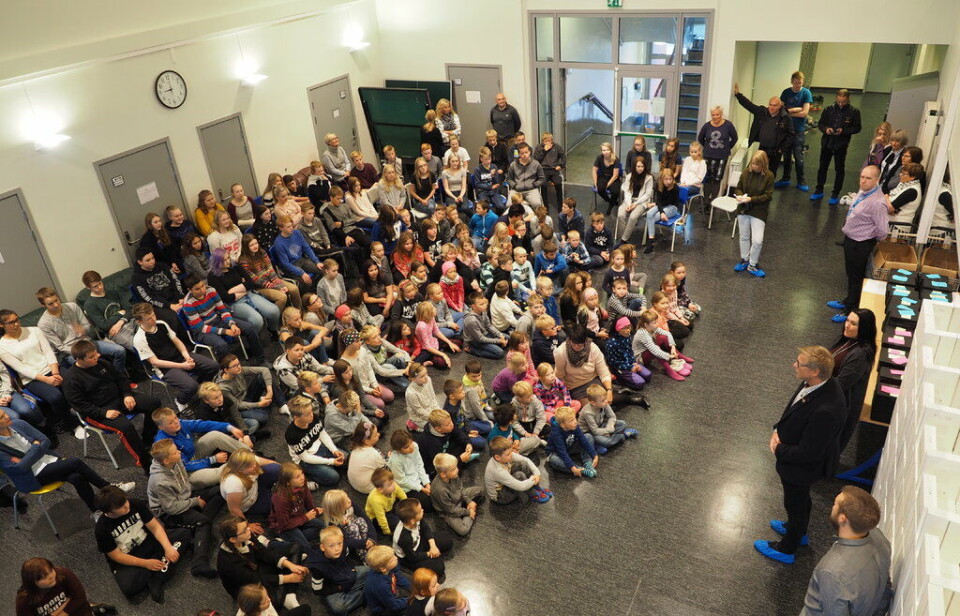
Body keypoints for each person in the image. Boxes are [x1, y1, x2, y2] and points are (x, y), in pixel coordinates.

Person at [755, 346, 846, 564]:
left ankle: (788, 547)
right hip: (797, 458)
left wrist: (778, 449)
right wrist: (779, 428)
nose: (794, 365)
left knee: (795, 503)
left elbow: (809, 452)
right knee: (800, 500)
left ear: (814, 371)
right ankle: (799, 530)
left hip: (802, 468)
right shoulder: (815, 384)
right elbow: (794, 408)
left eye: (799, 363)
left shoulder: (827, 410)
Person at [0, 408, 134, 513]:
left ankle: (97, 511)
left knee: (76, 476)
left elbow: (46, 441)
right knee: (75, 462)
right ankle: (109, 487)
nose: (7, 416)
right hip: (33, 476)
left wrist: (27, 458)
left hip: (50, 460)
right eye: (1, 417)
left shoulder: (18, 424)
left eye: (4, 413)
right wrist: (36, 446)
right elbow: (20, 469)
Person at [63, 339, 161, 474]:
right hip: (98, 412)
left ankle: (148, 439)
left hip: (120, 399)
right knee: (126, 427)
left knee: (154, 402)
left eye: (96, 353)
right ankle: (145, 463)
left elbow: (121, 379)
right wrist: (104, 413)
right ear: (79, 360)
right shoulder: (71, 380)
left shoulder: (102, 363)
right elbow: (80, 406)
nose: (97, 356)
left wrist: (127, 394)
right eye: (91, 357)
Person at [799, 486, 892, 615]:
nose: (832, 506)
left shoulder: (831, 573)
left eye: (835, 504)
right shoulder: (880, 539)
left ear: (843, 518)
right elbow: (885, 590)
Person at [94, 485, 190, 604]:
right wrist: (145, 563)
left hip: (151, 544)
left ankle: (157, 578)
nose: (126, 506)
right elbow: (116, 556)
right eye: (121, 507)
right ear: (108, 512)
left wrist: (167, 547)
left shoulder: (135, 504)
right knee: (128, 588)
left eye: (125, 501)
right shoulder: (101, 528)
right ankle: (161, 566)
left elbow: (155, 527)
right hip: (131, 558)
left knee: (184, 533)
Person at [146, 438, 220, 579]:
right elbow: (171, 508)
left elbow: (184, 483)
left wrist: (193, 500)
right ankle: (199, 564)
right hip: (169, 513)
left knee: (219, 491)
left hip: (185, 499)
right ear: (166, 461)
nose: (179, 451)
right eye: (175, 451)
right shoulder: (160, 481)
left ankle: (194, 529)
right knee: (203, 523)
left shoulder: (176, 460)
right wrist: (194, 502)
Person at [0, 310, 75, 433]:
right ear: (2, 325)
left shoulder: (34, 330)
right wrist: (46, 379)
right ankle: (71, 424)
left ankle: (84, 411)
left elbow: (48, 351)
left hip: (51, 368)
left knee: (74, 380)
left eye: (17, 320)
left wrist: (55, 373)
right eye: (11, 322)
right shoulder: (2, 346)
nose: (16, 324)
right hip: (32, 379)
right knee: (55, 396)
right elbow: (20, 368)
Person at [826, 166, 888, 316]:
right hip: (850, 239)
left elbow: (883, 231)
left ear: (877, 180)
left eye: (868, 178)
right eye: (862, 177)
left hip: (861, 243)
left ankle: (851, 310)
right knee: (850, 273)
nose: (863, 181)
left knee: (856, 277)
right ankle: (848, 300)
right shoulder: (864, 191)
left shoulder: (877, 202)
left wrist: (868, 239)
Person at [132, 302, 219, 407]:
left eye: (153, 315)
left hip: (180, 357)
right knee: (191, 386)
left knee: (214, 366)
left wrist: (187, 356)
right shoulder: (139, 339)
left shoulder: (162, 324)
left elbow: (177, 341)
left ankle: (202, 387)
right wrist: (182, 366)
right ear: (139, 321)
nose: (154, 319)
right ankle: (180, 401)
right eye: (149, 319)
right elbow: (155, 362)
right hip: (165, 368)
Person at [151, 406, 257, 489]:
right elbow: (185, 466)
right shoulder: (165, 444)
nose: (176, 422)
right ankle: (247, 466)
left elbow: (204, 425)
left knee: (214, 435)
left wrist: (229, 427)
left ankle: (251, 455)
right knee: (220, 473)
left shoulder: (180, 423)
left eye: (175, 417)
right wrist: (212, 459)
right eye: (171, 422)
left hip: (192, 455)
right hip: (185, 473)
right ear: (161, 427)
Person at [216, 516, 307, 609]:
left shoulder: (247, 535)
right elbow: (254, 579)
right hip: (248, 587)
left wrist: (290, 565)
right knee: (273, 600)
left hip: (258, 566)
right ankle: (289, 590)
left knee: (296, 548)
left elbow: (263, 552)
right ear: (233, 539)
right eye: (244, 530)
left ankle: (289, 593)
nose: (249, 530)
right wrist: (288, 578)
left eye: (247, 526)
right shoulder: (228, 562)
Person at [36, 288, 127, 373]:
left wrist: (83, 329)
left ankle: (118, 377)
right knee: (92, 364)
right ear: (43, 305)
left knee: (120, 351)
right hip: (71, 352)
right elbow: (60, 347)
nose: (56, 305)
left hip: (88, 343)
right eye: (50, 303)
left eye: (56, 300)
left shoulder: (72, 306)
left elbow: (87, 326)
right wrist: (82, 352)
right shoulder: (44, 324)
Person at [554, 324, 644, 408]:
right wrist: (563, 394)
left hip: (592, 380)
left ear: (585, 341)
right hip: (575, 386)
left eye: (580, 344)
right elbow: (559, 375)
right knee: (591, 407)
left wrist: (609, 390)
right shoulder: (561, 352)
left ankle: (629, 399)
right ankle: (621, 393)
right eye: (574, 344)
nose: (576, 347)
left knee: (603, 401)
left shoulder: (593, 348)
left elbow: (603, 371)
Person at [181, 274, 265, 362]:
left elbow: (223, 310)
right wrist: (225, 331)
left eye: (202, 285)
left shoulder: (211, 290)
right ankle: (226, 368)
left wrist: (231, 324)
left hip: (217, 319)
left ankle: (261, 359)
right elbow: (201, 327)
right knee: (221, 345)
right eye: (197, 289)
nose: (202, 290)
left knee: (249, 327)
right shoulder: (188, 304)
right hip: (201, 330)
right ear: (190, 290)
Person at [827, 309, 878, 453]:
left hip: (837, 406)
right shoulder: (848, 340)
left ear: (863, 329)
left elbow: (842, 384)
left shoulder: (860, 354)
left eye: (853, 323)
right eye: (847, 321)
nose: (847, 325)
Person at [16, 557, 117, 616]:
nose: (51, 577)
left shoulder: (63, 574)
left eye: (51, 571)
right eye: (44, 577)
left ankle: (93, 610)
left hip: (77, 611)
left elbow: (80, 598)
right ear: (33, 582)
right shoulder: (24, 601)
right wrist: (66, 603)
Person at [811, 89, 862, 204]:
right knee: (822, 167)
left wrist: (843, 131)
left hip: (841, 145)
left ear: (848, 99)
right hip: (827, 143)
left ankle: (835, 193)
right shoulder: (828, 109)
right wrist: (826, 129)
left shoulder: (854, 112)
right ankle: (819, 190)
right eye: (839, 102)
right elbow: (821, 124)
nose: (841, 104)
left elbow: (857, 128)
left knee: (839, 169)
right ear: (836, 98)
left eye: (843, 102)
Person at [306, 526, 370, 616]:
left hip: (348, 574)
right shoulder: (318, 567)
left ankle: (359, 590)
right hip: (335, 587)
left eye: (340, 543)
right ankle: (367, 592)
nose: (337, 549)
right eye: (331, 546)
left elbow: (348, 560)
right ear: (323, 547)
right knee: (338, 608)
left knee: (372, 570)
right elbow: (317, 590)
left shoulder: (343, 549)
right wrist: (339, 588)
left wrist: (351, 568)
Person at [733, 82, 794, 176]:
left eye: (775, 105)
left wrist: (782, 149)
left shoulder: (786, 118)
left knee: (771, 173)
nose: (772, 107)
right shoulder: (762, 112)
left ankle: (767, 190)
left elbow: (791, 135)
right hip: (762, 148)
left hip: (776, 150)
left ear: (780, 106)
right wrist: (738, 94)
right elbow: (749, 105)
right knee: (755, 170)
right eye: (770, 105)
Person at [285, 394, 344, 488]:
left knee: (346, 459)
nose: (312, 415)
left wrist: (334, 450)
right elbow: (305, 458)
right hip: (306, 459)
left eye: (311, 411)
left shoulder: (313, 417)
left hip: (320, 447)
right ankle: (309, 475)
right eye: (307, 414)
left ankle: (326, 467)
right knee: (334, 478)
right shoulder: (292, 435)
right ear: (296, 417)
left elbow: (322, 433)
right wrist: (331, 462)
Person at [733, 150, 775, 278]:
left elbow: (768, 196)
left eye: (757, 165)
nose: (754, 167)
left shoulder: (769, 176)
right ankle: (745, 259)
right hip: (744, 208)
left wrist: (751, 199)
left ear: (763, 164)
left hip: (759, 210)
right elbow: (738, 187)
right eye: (753, 164)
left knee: (757, 240)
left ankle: (753, 264)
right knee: (744, 237)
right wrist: (740, 196)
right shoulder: (746, 172)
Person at [131, 247, 188, 338]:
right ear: (140, 262)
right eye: (148, 260)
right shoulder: (137, 278)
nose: (152, 261)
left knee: (192, 304)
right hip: (158, 306)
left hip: (175, 298)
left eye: (153, 258)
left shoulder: (162, 266)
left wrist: (180, 297)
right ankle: (186, 343)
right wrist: (170, 306)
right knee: (174, 318)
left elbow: (175, 281)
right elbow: (149, 299)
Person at [269, 462, 326, 553]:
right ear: (288, 483)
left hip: (298, 518)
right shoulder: (280, 499)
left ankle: (294, 540)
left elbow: (308, 499)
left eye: (302, 473)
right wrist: (306, 518)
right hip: (284, 527)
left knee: (323, 528)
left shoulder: (301, 484)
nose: (302, 477)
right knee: (307, 548)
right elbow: (283, 525)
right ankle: (289, 541)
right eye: (297, 477)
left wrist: (314, 510)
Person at [392, 498, 453, 577]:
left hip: (418, 542)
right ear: (412, 521)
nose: (423, 510)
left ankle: (432, 556)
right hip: (409, 556)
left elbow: (425, 528)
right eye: (420, 511)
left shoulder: (415, 519)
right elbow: (412, 557)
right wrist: (429, 553)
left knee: (447, 539)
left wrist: (433, 546)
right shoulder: (404, 538)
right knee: (439, 568)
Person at [484, 436, 550, 505]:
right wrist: (533, 479)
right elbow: (521, 486)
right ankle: (533, 494)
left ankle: (536, 487)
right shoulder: (498, 471)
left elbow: (525, 460)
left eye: (511, 451)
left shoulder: (503, 456)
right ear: (497, 457)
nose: (511, 454)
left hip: (504, 481)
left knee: (523, 464)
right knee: (519, 476)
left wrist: (537, 474)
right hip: (500, 496)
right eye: (508, 454)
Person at [777, 71, 813, 190]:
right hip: (787, 130)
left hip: (799, 129)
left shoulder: (806, 93)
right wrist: (795, 109)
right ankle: (785, 178)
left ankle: (801, 181)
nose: (798, 85)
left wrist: (789, 111)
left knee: (798, 156)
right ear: (792, 81)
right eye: (796, 83)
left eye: (800, 83)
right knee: (786, 155)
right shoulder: (786, 92)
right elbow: (781, 111)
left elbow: (804, 113)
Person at [578, 383, 638, 454]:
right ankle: (623, 435)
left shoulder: (604, 403)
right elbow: (595, 431)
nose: (606, 401)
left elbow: (612, 416)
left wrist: (610, 427)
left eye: (606, 398)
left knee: (622, 423)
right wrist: (608, 430)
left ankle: (613, 437)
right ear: (593, 403)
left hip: (600, 425)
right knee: (606, 442)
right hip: (590, 432)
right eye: (603, 400)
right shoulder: (587, 413)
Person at [697, 106, 739, 203]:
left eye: (717, 114)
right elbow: (700, 138)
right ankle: (706, 200)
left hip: (722, 156)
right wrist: (707, 147)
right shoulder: (707, 126)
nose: (715, 117)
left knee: (717, 179)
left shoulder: (728, 125)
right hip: (708, 156)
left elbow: (734, 138)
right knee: (707, 179)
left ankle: (713, 201)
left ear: (721, 114)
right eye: (713, 115)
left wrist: (727, 148)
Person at [616, 156, 654, 246]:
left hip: (642, 202)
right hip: (629, 200)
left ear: (645, 167)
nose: (640, 168)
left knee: (633, 217)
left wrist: (635, 204)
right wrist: (629, 204)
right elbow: (627, 191)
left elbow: (648, 194)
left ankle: (623, 240)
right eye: (638, 166)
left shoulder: (649, 178)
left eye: (642, 166)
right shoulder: (629, 176)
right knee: (620, 214)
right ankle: (622, 237)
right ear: (634, 167)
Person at [364, 545, 411, 616]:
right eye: (392, 559)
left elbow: (398, 577)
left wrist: (412, 588)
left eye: (394, 555)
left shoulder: (389, 568)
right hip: (383, 609)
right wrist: (411, 600)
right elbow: (393, 606)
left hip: (391, 593)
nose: (396, 558)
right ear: (383, 568)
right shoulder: (381, 585)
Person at [462, 292, 507, 359]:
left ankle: (497, 343)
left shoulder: (483, 311)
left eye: (485, 303)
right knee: (499, 353)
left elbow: (489, 326)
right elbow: (480, 339)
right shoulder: (471, 320)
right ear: (473, 306)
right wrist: (498, 341)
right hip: (474, 341)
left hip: (484, 334)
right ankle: (472, 350)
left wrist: (499, 335)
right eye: (481, 304)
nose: (485, 305)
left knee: (507, 338)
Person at [506, 142, 545, 208]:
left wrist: (534, 185)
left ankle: (533, 217)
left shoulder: (536, 164)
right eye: (522, 153)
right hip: (517, 190)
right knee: (509, 205)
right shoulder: (513, 164)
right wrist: (515, 186)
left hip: (531, 189)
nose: (524, 155)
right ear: (519, 154)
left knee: (537, 204)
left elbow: (542, 179)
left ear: (529, 152)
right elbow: (508, 179)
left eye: (526, 152)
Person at [236, 582, 312, 616]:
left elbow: (272, 610)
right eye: (265, 601)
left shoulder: (264, 603)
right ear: (255, 608)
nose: (269, 599)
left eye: (267, 596)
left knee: (305, 608)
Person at [533, 132, 565, 209]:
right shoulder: (539, 147)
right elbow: (536, 159)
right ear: (542, 141)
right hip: (543, 169)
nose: (547, 143)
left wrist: (560, 165)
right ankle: (545, 207)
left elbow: (563, 156)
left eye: (549, 141)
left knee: (558, 183)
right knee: (543, 185)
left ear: (552, 141)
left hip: (554, 169)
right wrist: (544, 150)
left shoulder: (556, 146)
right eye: (545, 141)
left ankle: (560, 205)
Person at [592, 142, 622, 215]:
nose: (605, 152)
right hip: (603, 177)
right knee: (600, 189)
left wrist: (607, 185)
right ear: (601, 151)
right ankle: (610, 201)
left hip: (613, 178)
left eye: (607, 150)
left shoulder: (616, 159)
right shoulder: (599, 158)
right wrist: (595, 182)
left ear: (611, 150)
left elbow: (615, 176)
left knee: (615, 192)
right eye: (604, 150)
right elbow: (594, 170)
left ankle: (610, 207)